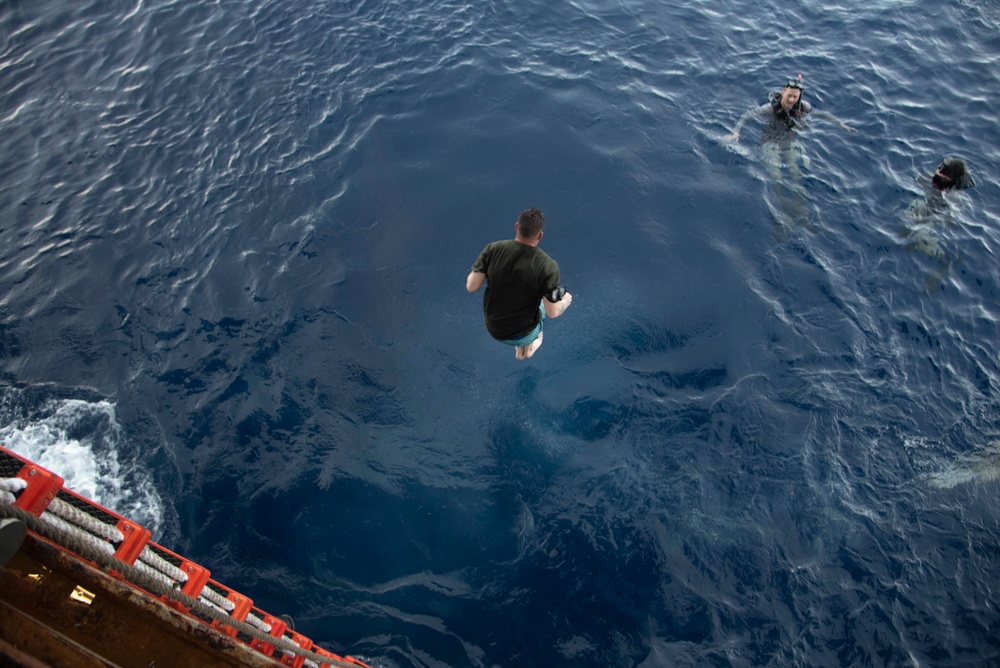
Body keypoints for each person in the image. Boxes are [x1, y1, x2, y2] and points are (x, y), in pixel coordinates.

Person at [724, 75, 858, 227]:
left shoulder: (802, 107)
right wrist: (736, 132)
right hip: (770, 141)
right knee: (777, 176)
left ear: (799, 97)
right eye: (789, 96)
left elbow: (821, 114)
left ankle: (800, 207)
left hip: (789, 141)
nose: (791, 100)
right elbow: (746, 116)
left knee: (796, 173)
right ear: (783, 92)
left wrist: (840, 123)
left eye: (795, 97)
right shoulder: (769, 108)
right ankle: (781, 209)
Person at [466, 208, 573, 360]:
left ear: (516, 226)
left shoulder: (492, 249)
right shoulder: (547, 266)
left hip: (494, 328)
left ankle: (524, 347)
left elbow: (471, 286)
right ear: (540, 235)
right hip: (523, 334)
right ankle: (530, 348)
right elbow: (553, 313)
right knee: (545, 302)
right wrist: (565, 301)